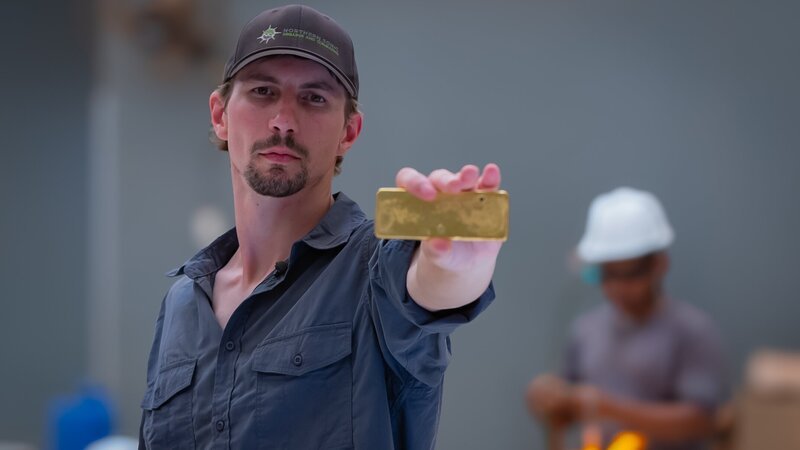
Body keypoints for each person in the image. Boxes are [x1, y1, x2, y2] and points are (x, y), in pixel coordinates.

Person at [139, 5, 503, 450]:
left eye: (314, 98)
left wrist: (456, 261)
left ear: (349, 131)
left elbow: (430, 289)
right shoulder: (182, 304)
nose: (283, 120)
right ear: (220, 115)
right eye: (262, 92)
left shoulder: (372, 270)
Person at [526, 187, 727, 450]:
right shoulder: (586, 330)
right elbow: (567, 412)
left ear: (659, 264)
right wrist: (547, 399)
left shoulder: (691, 331)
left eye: (630, 273)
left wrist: (609, 408)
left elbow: (702, 420)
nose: (618, 287)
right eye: (608, 275)